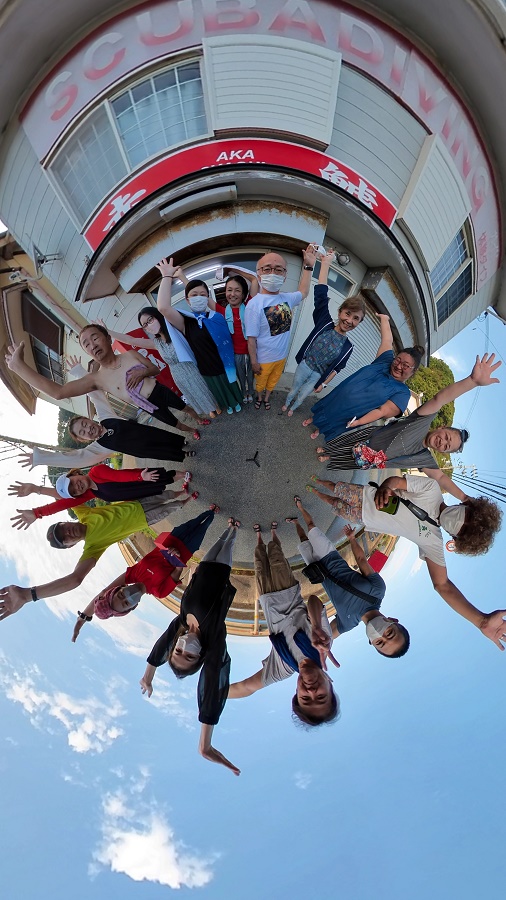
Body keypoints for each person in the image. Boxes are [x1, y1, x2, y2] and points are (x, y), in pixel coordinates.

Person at [305, 473, 506, 649]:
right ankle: (319, 482)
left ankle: (315, 493)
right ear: (466, 505)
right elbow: (397, 481)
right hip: (366, 495)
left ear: (456, 539)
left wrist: (481, 621)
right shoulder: (432, 489)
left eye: (463, 530)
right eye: (468, 516)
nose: (461, 522)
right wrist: (386, 487)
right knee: (337, 488)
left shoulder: (433, 542)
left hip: (364, 518)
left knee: (335, 504)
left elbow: (443, 585)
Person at [315, 352, 501, 502]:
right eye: (446, 437)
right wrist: (472, 381)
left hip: (367, 461)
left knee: (344, 461)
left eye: (446, 447)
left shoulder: (424, 458)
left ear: (443, 452)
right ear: (442, 427)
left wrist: (465, 498)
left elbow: (441, 478)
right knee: (341, 443)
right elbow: (440, 399)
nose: (442, 442)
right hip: (366, 438)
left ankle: (328, 457)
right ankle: (327, 450)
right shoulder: (422, 421)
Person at [140, 518, 241, 775]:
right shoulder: (213, 635)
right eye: (189, 656)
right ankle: (235, 530)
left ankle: (228, 529)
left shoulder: (182, 622)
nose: (185, 649)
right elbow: (212, 677)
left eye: (178, 651)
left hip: (204, 568)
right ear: (201, 657)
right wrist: (205, 741)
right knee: (229, 545)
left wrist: (148, 676)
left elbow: (162, 643)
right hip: (221, 573)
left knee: (219, 541)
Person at [0, 497, 201, 621]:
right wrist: (28, 595)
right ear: (70, 546)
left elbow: (64, 494)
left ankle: (184, 493)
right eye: (65, 539)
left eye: (64, 528)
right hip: (145, 519)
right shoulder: (92, 547)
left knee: (169, 493)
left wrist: (38, 509)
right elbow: (78, 581)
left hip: (137, 499)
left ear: (67, 521)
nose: (68, 532)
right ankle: (190, 500)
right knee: (176, 507)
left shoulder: (84, 514)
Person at [227, 523, 339, 727]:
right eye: (321, 697)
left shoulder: (282, 668)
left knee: (259, 563)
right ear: (329, 684)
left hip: (266, 596)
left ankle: (259, 538)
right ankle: (273, 534)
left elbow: (246, 687)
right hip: (287, 589)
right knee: (276, 555)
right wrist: (316, 626)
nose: (312, 691)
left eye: (305, 699)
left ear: (296, 693)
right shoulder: (323, 645)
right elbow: (314, 601)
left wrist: (210, 696)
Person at [5, 324, 203, 439]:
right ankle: (193, 430)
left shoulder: (130, 355)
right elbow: (59, 393)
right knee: (175, 423)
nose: (92, 345)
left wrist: (141, 373)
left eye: (95, 338)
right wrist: (19, 368)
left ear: (108, 338)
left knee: (184, 407)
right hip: (147, 406)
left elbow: (155, 369)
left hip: (158, 389)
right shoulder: (96, 378)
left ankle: (199, 419)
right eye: (86, 344)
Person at [16, 358, 198, 471]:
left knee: (167, 438)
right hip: (144, 450)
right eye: (83, 432)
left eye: (85, 424)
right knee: (165, 452)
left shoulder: (105, 417)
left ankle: (183, 442)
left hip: (150, 433)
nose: (87, 429)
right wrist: (42, 458)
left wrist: (80, 372)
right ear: (84, 439)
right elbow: (76, 458)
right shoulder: (99, 448)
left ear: (88, 420)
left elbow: (95, 394)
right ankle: (186, 454)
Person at [71, 505, 220, 641]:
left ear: (120, 588)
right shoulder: (159, 592)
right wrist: (176, 557)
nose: (128, 596)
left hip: (173, 538)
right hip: (186, 549)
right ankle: (213, 514)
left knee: (194, 522)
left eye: (121, 595)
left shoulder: (132, 574)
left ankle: (209, 510)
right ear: (132, 607)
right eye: (126, 603)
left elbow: (104, 591)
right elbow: (178, 571)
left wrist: (84, 616)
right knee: (203, 527)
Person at [286, 500, 409, 657]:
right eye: (389, 633)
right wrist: (352, 538)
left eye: (380, 642)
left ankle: (296, 523)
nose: (381, 634)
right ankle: (301, 508)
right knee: (311, 527)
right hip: (329, 556)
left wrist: (319, 650)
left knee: (303, 540)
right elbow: (361, 560)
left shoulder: (347, 624)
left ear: (371, 642)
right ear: (393, 620)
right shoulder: (378, 590)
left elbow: (327, 638)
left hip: (316, 571)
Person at [302, 314, 424, 440]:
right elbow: (387, 340)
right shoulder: (385, 361)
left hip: (350, 413)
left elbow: (381, 411)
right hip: (338, 396)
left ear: (413, 371)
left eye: (405, 366)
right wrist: (384, 319)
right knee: (325, 408)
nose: (398, 366)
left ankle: (319, 430)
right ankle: (312, 419)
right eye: (398, 360)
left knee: (333, 422)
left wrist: (359, 422)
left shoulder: (402, 393)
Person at [282, 250, 366, 415]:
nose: (349, 320)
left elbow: (337, 369)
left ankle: (293, 408)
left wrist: (324, 383)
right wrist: (325, 264)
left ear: (359, 322)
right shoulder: (325, 322)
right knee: (294, 389)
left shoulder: (348, 347)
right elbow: (321, 296)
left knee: (302, 396)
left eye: (356, 318)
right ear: (340, 312)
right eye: (348, 314)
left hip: (317, 376)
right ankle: (286, 403)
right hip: (305, 365)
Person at [156, 258, 243, 414]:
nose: (198, 297)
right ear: (188, 300)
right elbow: (163, 308)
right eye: (194, 295)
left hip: (224, 364)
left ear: (207, 298)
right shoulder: (186, 322)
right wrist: (166, 276)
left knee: (231, 384)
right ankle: (228, 405)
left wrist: (183, 277)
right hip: (206, 368)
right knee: (218, 389)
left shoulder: (217, 317)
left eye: (203, 295)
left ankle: (236, 401)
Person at [98, 308, 220, 419]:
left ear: (157, 316)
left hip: (191, 367)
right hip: (177, 374)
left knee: (202, 386)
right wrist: (107, 331)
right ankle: (208, 408)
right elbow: (131, 340)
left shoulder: (175, 330)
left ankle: (215, 404)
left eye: (150, 320)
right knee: (193, 392)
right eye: (145, 325)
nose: (148, 325)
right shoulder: (156, 343)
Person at [8, 463, 195, 530]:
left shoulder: (96, 472)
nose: (76, 487)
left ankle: (182, 474)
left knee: (163, 477)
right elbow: (61, 504)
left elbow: (118, 476)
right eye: (74, 491)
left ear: (75, 474)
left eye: (73, 482)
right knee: (161, 488)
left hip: (138, 479)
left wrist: (140, 476)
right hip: (138, 493)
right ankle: (181, 483)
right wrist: (37, 512)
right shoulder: (90, 493)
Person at [245, 245, 318, 409]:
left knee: (273, 381)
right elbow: (251, 339)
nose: (273, 273)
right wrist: (254, 362)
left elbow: (304, 292)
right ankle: (259, 397)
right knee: (260, 383)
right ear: (259, 274)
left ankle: (267, 398)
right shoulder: (254, 305)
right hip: (263, 359)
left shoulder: (287, 299)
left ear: (285, 276)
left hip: (281, 356)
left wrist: (308, 267)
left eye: (278, 269)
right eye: (267, 269)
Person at [213, 275, 255, 403]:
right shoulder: (222, 311)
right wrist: (182, 277)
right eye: (229, 290)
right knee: (240, 376)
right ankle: (244, 392)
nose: (232, 294)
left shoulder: (249, 305)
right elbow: (201, 295)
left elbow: (254, 280)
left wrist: (229, 269)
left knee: (251, 375)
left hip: (251, 351)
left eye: (237, 290)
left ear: (243, 294)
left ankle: (250, 392)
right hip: (235, 354)